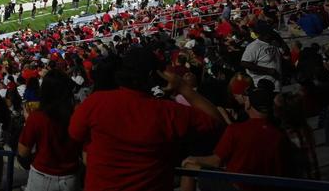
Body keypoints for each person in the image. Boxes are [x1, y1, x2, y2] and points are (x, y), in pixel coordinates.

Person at [69, 47, 224, 191]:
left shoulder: (95, 102)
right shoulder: (167, 111)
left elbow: (74, 135)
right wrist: (182, 86)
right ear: (154, 76)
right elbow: (216, 121)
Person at [181, 87, 296, 191]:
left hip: (238, 186)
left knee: (189, 166)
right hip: (267, 186)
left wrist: (193, 159)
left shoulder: (236, 130)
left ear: (248, 105)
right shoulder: (280, 135)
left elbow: (216, 161)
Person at [18, 71, 82, 191]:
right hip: (71, 178)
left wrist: (28, 122)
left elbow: (23, 151)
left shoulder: (37, 117)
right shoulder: (78, 114)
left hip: (42, 177)